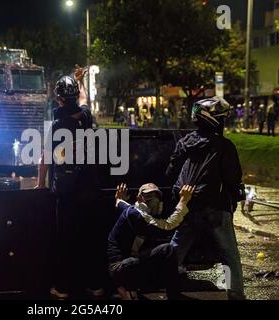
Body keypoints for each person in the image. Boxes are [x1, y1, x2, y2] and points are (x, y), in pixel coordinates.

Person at [166, 97, 246, 300]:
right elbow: (232, 178)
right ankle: (235, 293)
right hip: (215, 208)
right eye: (221, 118)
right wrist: (234, 197)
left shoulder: (184, 143)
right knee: (229, 255)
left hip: (187, 206)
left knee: (174, 252)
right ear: (213, 120)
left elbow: (170, 172)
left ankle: (168, 287)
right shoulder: (224, 146)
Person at [36, 66, 104, 299]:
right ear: (74, 96)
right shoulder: (86, 117)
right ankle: (95, 285)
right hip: (89, 189)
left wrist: (39, 183)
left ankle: (64, 287)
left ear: (58, 99)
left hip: (66, 193)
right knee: (90, 237)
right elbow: (84, 98)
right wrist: (80, 80)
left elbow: (45, 158)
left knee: (65, 239)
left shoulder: (55, 127)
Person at [108, 183, 195, 300]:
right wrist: (183, 201)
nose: (153, 200)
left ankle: (130, 288)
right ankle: (174, 296)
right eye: (148, 196)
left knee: (166, 263)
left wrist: (119, 199)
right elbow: (167, 226)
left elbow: (120, 203)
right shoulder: (135, 214)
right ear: (139, 198)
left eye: (156, 196)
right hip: (119, 268)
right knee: (167, 249)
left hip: (131, 265)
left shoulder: (130, 210)